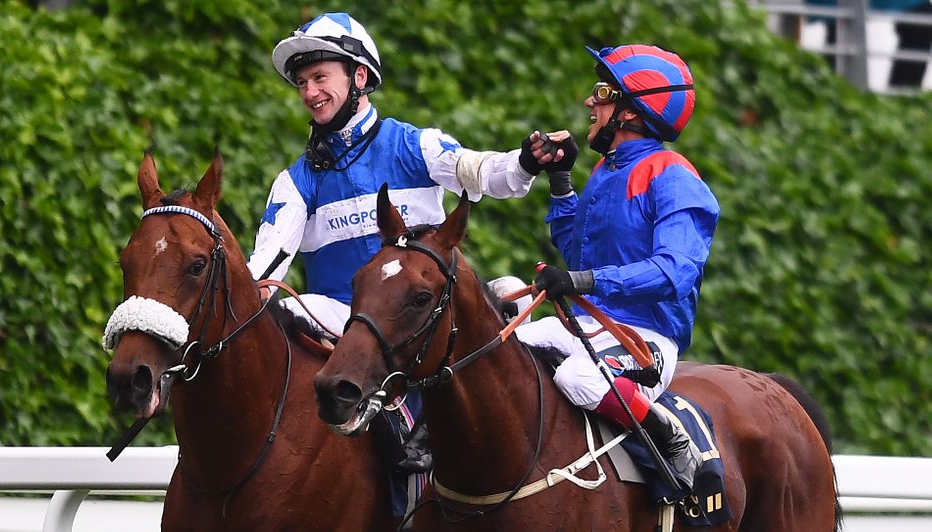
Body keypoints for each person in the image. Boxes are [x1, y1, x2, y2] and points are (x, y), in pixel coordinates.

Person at [246, 11, 550, 517]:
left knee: (511, 290)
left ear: (359, 77)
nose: (309, 92)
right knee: (296, 310)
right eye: (302, 82)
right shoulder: (296, 181)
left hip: (425, 326)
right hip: (347, 327)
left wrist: (524, 162)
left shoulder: (415, 144)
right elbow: (267, 267)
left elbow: (479, 172)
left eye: (321, 77)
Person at [515, 44, 720, 495]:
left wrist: (584, 282)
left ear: (631, 111)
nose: (591, 103)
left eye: (602, 93)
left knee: (578, 378)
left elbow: (672, 273)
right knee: (500, 344)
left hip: (648, 339)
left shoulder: (675, 177)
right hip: (589, 326)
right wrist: (562, 181)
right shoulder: (606, 172)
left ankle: (671, 435)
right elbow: (578, 256)